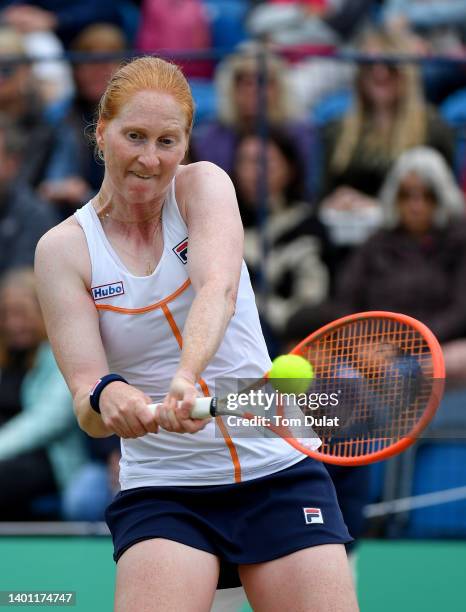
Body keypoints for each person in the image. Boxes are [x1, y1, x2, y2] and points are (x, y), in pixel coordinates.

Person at [35, 56, 358, 611]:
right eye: (134, 136)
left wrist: (186, 378)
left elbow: (218, 290)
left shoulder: (204, 186)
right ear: (102, 133)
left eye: (168, 140)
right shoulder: (62, 250)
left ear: (186, 144)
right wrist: (112, 397)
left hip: (274, 464)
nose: (150, 157)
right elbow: (86, 399)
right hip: (164, 486)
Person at [0, 267, 86, 520]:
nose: (13, 323)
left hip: (47, 457)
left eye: (22, 313)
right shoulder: (5, 358)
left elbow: (47, 422)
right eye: (6, 314)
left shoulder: (61, 355)